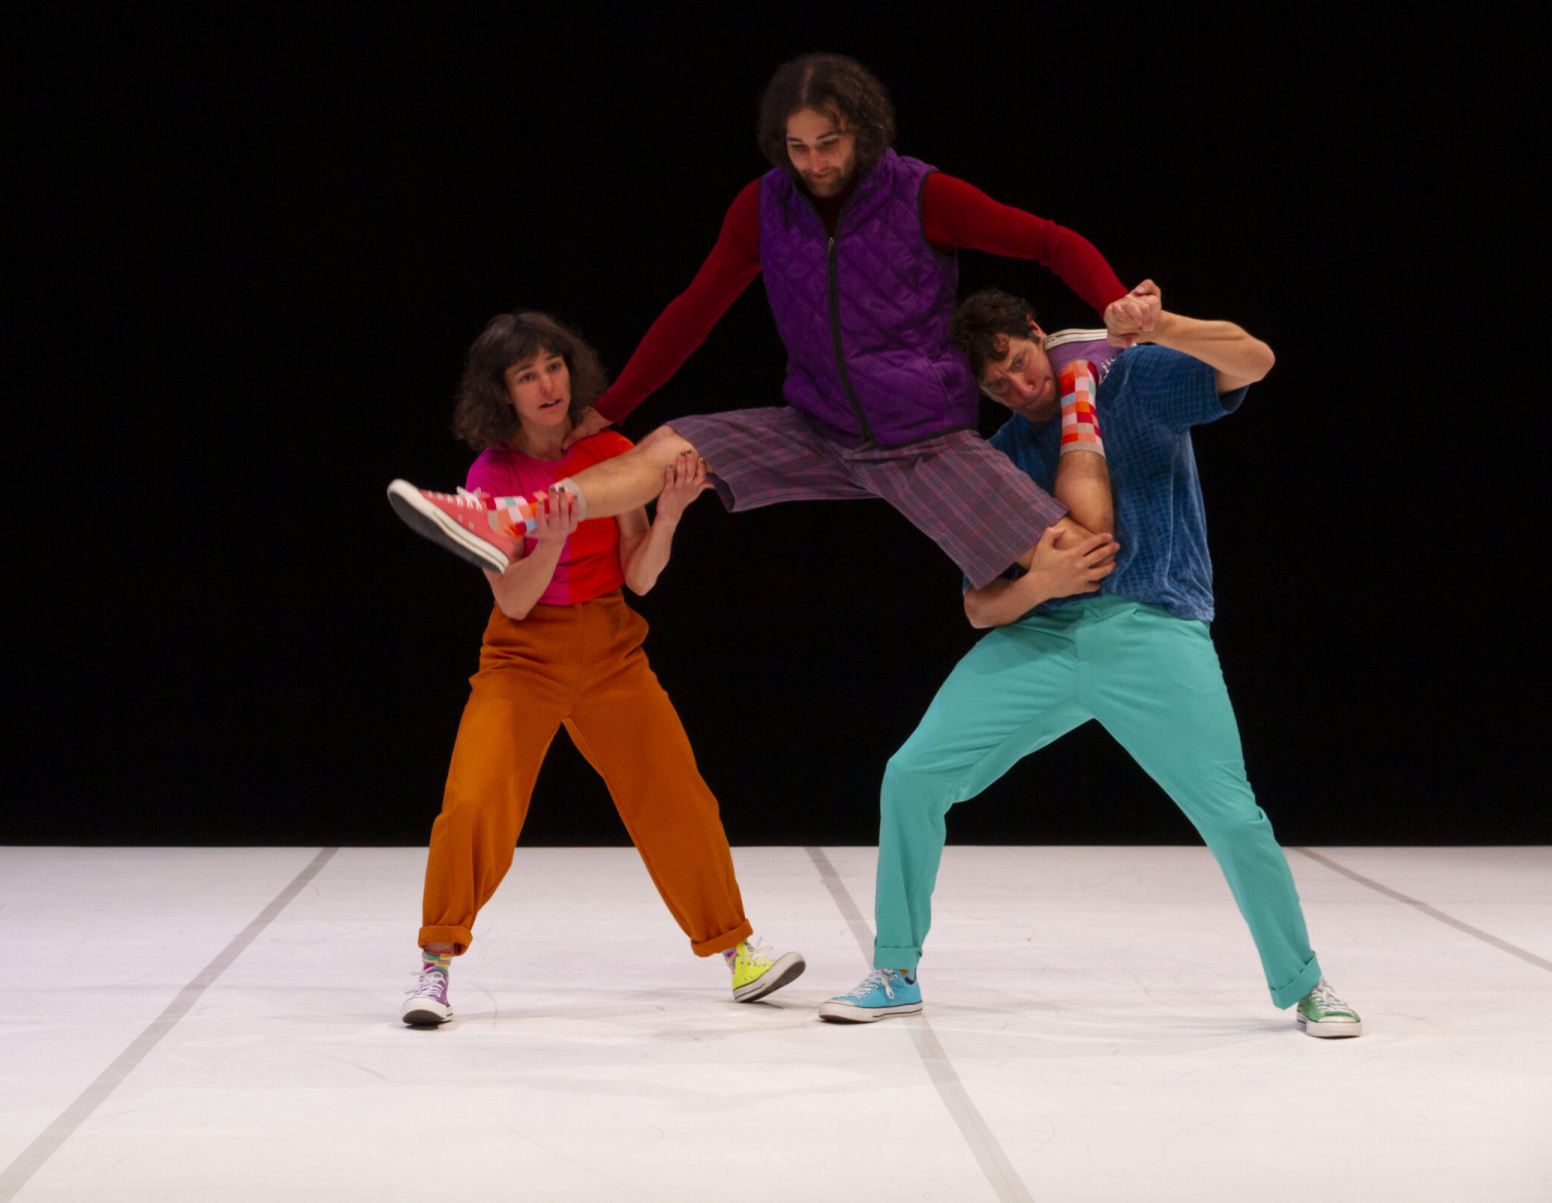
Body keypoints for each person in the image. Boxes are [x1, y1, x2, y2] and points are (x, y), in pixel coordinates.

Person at [388, 52, 1154, 595]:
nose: (815, 162)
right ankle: (511, 515)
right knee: (671, 445)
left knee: (1086, 556)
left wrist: (1114, 297)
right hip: (816, 427)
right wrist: (613, 406)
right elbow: (695, 310)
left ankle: (1078, 420)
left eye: (829, 144)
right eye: (798, 148)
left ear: (864, 130)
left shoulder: (924, 195)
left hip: (920, 438)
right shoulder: (763, 208)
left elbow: (1048, 240)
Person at [818, 284, 1362, 1039]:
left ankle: (1307, 985)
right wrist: (1037, 584)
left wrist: (1159, 325)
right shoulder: (1001, 455)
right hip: (1040, 640)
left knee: (1233, 818)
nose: (1015, 382)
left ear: (1039, 335)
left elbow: (1256, 360)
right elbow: (979, 605)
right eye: (994, 381)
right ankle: (895, 970)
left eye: (1016, 359)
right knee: (912, 775)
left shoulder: (1134, 383)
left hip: (1153, 628)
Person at [401, 311, 804, 1028]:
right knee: (475, 800)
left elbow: (640, 577)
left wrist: (672, 512)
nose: (547, 384)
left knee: (677, 796)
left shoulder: (613, 451)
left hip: (613, 647)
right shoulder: (493, 472)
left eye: (553, 366)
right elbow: (515, 598)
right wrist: (551, 544)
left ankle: (738, 952)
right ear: (505, 394)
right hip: (525, 653)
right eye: (526, 375)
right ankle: (435, 966)